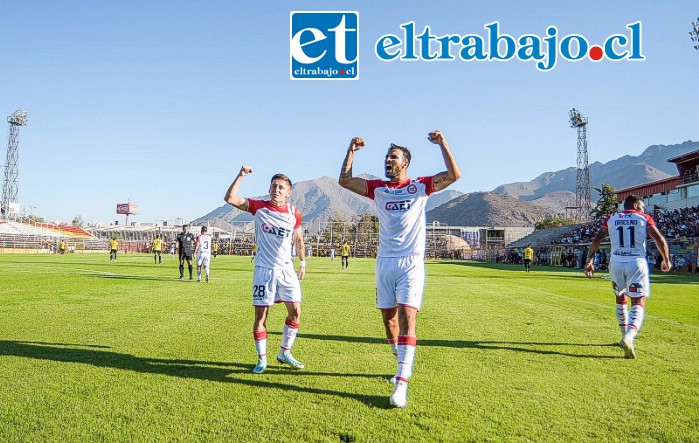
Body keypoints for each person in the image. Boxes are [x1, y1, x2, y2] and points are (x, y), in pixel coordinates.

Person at [338, 129, 461, 408]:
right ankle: (400, 358)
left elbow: (454, 175)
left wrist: (442, 143)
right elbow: (344, 180)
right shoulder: (377, 188)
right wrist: (351, 151)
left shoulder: (421, 185)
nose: (388, 160)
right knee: (389, 320)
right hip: (385, 261)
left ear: (405, 162)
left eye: (393, 157)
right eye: (386, 157)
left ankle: (402, 382)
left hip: (411, 261)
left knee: (408, 315)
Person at [224, 165, 307, 374]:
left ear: (288, 192)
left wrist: (303, 262)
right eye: (273, 186)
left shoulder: (294, 213)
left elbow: (298, 239)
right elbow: (230, 198)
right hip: (264, 270)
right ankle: (262, 360)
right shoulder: (258, 207)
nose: (276, 190)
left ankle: (284, 352)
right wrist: (240, 176)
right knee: (261, 316)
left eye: (281, 187)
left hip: (287, 270)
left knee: (296, 311)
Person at [585, 195, 671, 359]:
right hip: (636, 262)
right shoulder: (644, 217)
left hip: (616, 262)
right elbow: (659, 239)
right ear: (637, 205)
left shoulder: (611, 218)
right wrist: (666, 259)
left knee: (620, 298)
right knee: (638, 301)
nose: (644, 209)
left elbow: (597, 239)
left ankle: (623, 335)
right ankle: (629, 337)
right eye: (643, 206)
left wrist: (589, 260)